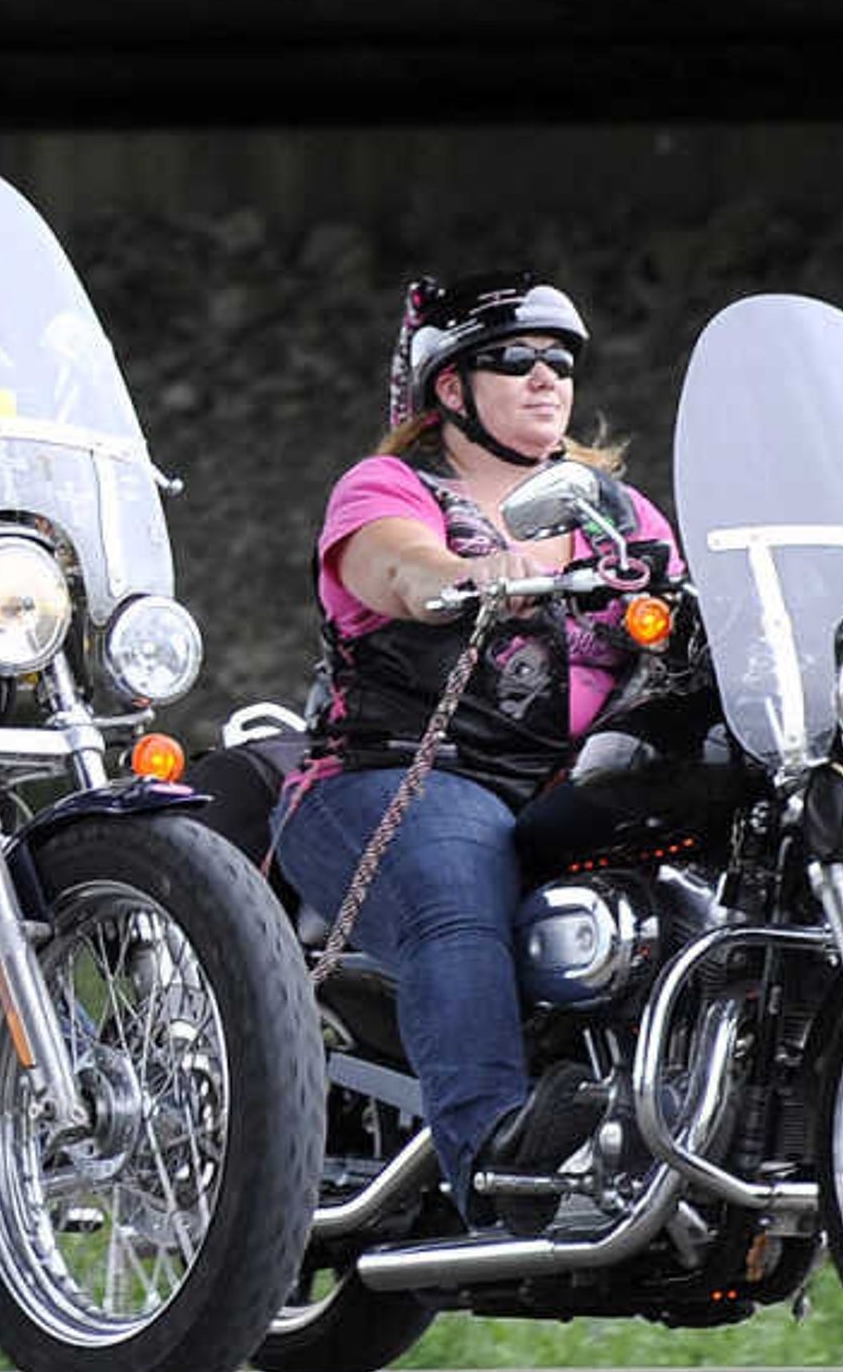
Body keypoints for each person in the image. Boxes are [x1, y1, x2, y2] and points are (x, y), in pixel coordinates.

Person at [269, 274, 686, 1231]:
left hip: (563, 785)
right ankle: (498, 1157)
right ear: (451, 390)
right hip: (395, 777)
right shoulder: (391, 488)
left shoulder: (617, 513)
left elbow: (699, 606)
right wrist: (469, 574)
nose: (547, 380)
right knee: (461, 881)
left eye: (561, 363)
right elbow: (397, 565)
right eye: (516, 360)